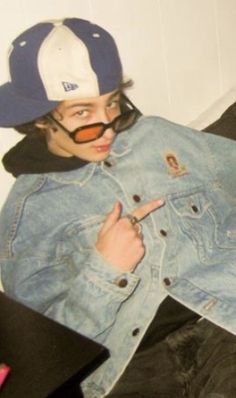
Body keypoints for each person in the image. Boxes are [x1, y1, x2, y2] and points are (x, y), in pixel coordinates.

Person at [0, 17, 235, 398]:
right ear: (40, 119)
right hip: (131, 367)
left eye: (112, 104)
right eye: (82, 113)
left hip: (220, 322)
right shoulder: (27, 215)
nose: (108, 127)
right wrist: (105, 271)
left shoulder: (156, 137)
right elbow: (45, 354)